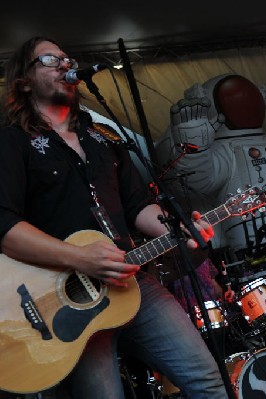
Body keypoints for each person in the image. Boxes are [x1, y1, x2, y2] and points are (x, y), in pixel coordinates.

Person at [0, 37, 228, 398]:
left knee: (209, 380)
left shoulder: (103, 139)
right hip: (65, 301)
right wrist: (79, 258)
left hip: (134, 284)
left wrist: (178, 228)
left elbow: (138, 206)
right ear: (24, 81)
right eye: (49, 59)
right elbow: (4, 227)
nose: (64, 64)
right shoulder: (13, 143)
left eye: (67, 58)